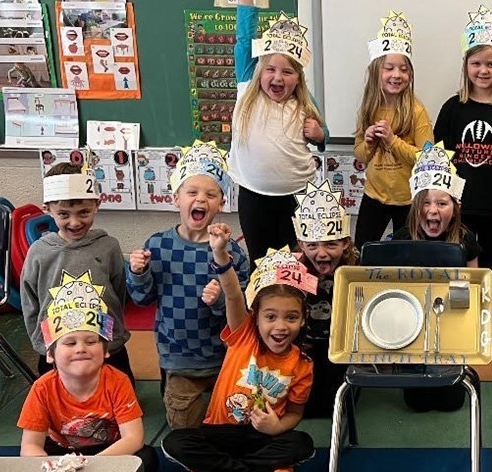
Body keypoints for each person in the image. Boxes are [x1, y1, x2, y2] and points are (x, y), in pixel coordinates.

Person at [162, 235, 316, 472]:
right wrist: (220, 253)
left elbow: (295, 413)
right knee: (175, 441)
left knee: (302, 442)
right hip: (220, 432)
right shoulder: (244, 337)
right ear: (255, 317)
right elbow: (233, 294)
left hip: (262, 437)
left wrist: (275, 428)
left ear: (303, 319)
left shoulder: (302, 364)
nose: (281, 326)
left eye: (292, 317)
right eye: (271, 316)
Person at [127, 141, 250, 430]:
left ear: (221, 203)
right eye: (192, 192)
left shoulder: (229, 249)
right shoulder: (158, 245)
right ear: (177, 199)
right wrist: (138, 272)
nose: (201, 199)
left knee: (231, 427)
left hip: (225, 358)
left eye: (211, 194)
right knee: (183, 431)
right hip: (178, 359)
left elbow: (242, 311)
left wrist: (222, 298)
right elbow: (142, 299)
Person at [433, 4, 492, 310]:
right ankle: (457, 312)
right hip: (457, 207)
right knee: (456, 261)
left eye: (491, 64)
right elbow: (439, 159)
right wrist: (442, 200)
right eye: (477, 63)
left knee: (488, 263)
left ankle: (487, 316)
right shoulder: (452, 108)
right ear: (466, 65)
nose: (484, 70)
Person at [17, 272, 158, 471]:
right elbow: (30, 445)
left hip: (111, 449)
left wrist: (90, 466)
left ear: (105, 351)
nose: (81, 348)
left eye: (91, 342)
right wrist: (53, 466)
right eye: (70, 342)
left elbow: (134, 438)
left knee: (146, 457)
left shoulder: (117, 381)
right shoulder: (43, 387)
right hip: (63, 450)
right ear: (50, 354)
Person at [390, 141, 486, 412]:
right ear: (415, 206)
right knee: (416, 402)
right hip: (411, 322)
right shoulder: (402, 239)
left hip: (450, 321)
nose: (433, 211)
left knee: (451, 402)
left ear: (455, 207)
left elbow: (476, 286)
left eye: (442, 203)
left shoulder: (465, 240)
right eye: (426, 203)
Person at [229, 0, 328, 263]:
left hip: (297, 197)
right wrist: (247, 6)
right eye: (270, 70)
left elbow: (323, 135)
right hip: (253, 196)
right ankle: (262, 305)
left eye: (287, 72)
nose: (277, 78)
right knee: (259, 260)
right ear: (260, 71)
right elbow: (244, 42)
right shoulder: (247, 86)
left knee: (297, 262)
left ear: (298, 78)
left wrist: (319, 135)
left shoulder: (304, 102)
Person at [22, 163, 133, 382]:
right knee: (59, 405)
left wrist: (114, 335)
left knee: (119, 398)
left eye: (83, 212)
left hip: (108, 345)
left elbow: (118, 293)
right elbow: (30, 301)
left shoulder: (108, 246)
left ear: (96, 206)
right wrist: (42, 343)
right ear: (47, 209)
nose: (74, 222)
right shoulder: (39, 252)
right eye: (64, 214)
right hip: (56, 347)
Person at [354, 11, 435, 249]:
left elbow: (426, 159)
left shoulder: (417, 111)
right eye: (389, 68)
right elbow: (360, 155)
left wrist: (392, 140)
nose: (396, 75)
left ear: (410, 75)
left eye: (403, 69)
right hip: (373, 196)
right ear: (377, 71)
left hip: (408, 200)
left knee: (409, 257)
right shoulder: (368, 107)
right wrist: (368, 142)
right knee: (362, 252)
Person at [292, 179, 358, 418]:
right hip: (306, 345)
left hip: (342, 345)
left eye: (331, 244)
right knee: (307, 405)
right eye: (312, 245)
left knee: (337, 404)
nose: (321, 253)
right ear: (301, 244)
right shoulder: (293, 270)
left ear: (345, 243)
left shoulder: (357, 268)